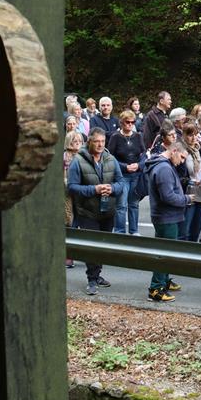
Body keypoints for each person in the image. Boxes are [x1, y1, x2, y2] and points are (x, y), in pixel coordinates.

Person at [66, 128, 125, 295]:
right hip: (87, 212)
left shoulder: (111, 159)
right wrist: (94, 189)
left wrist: (112, 188)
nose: (100, 145)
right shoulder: (78, 161)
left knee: (103, 247)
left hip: (108, 211)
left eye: (103, 141)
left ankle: (97, 275)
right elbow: (72, 187)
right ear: (89, 142)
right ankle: (91, 279)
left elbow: (121, 182)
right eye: (97, 141)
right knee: (91, 247)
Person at [144, 141, 191, 302]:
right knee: (164, 253)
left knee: (165, 251)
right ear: (174, 151)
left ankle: (163, 281)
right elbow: (168, 196)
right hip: (166, 217)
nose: (182, 162)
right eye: (182, 157)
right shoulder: (164, 168)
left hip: (166, 216)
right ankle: (156, 288)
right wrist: (186, 199)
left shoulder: (164, 165)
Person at [108, 110, 145, 235]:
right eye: (127, 122)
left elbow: (144, 155)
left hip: (136, 175)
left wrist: (139, 165)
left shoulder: (138, 136)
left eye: (132, 122)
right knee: (121, 205)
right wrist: (125, 167)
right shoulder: (115, 137)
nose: (130, 124)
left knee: (134, 204)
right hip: (121, 176)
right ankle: (120, 232)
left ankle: (134, 231)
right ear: (121, 123)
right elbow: (110, 158)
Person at [179, 122, 201, 242]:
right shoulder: (180, 150)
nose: (193, 138)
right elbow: (177, 175)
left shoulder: (200, 148)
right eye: (190, 135)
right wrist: (189, 181)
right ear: (183, 135)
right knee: (184, 231)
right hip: (188, 193)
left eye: (196, 134)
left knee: (196, 230)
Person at [62, 130, 84, 268]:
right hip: (67, 194)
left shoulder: (84, 156)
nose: (77, 144)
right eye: (75, 141)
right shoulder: (64, 156)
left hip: (82, 192)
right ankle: (68, 255)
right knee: (69, 223)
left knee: (83, 223)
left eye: (79, 141)